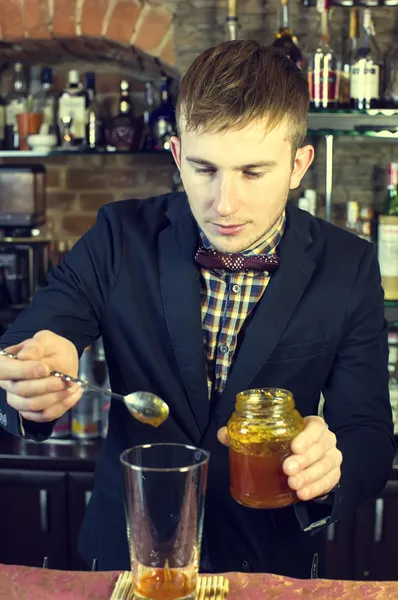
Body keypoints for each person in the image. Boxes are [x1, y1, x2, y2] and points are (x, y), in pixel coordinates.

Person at [0, 41, 394, 578]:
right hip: (127, 559)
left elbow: (368, 430)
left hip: (266, 568)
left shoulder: (348, 265)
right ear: (178, 154)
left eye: (253, 172)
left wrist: (331, 468)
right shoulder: (119, 235)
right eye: (204, 169)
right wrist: (32, 369)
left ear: (299, 163)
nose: (224, 204)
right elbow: (40, 332)